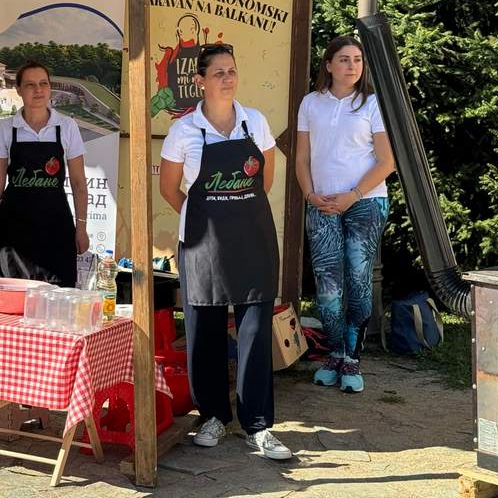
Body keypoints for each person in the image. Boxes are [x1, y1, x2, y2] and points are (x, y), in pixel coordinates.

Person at [158, 43, 291, 460]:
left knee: (253, 332)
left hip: (252, 238)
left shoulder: (256, 122)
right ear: (200, 82)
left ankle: (258, 426)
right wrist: (201, 215)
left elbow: (264, 179)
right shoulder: (184, 130)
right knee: (205, 330)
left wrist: (234, 210)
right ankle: (213, 416)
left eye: (232, 70)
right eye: (218, 73)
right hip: (202, 243)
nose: (228, 79)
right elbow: (168, 188)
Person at [296, 35, 395, 393]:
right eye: (344, 59)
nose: (352, 66)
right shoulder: (311, 103)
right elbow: (302, 158)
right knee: (327, 287)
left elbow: (387, 162)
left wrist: (353, 196)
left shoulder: (372, 104)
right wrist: (310, 194)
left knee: (357, 278)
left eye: (357, 60)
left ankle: (352, 357)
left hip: (365, 203)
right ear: (328, 65)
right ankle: (333, 352)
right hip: (321, 202)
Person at [0, 61, 89, 286]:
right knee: (12, 295)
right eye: (30, 85)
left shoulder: (67, 126)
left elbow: (78, 182)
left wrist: (81, 228)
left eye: (43, 84)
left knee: (58, 296)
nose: (38, 90)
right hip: (13, 228)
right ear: (18, 89)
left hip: (55, 225)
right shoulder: (6, 128)